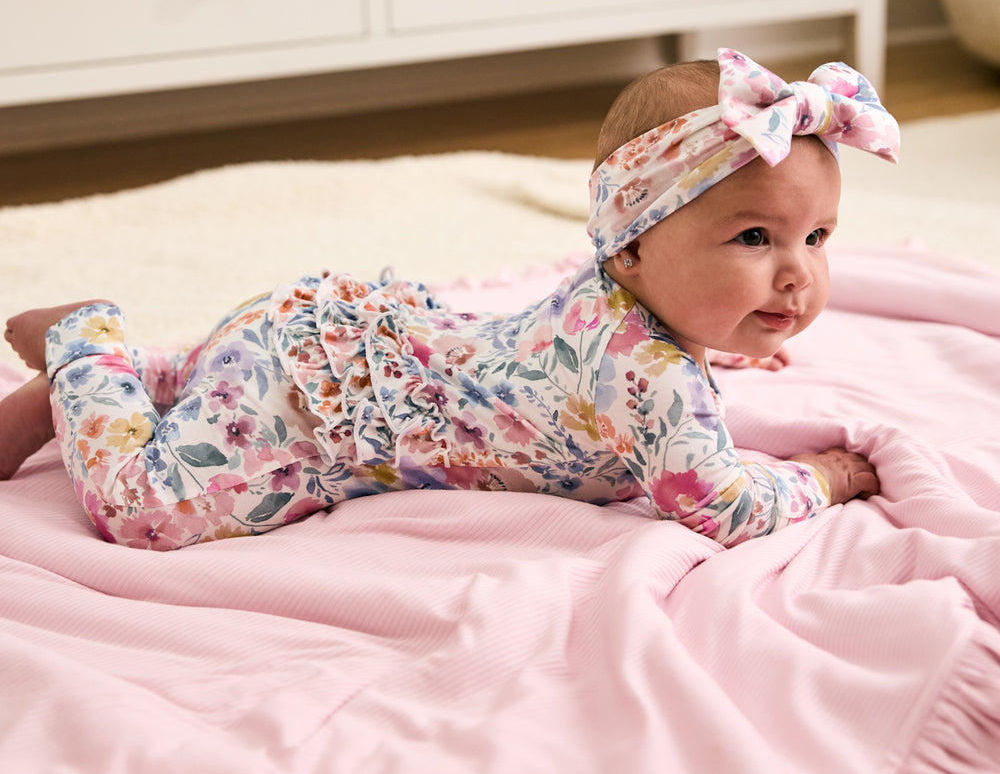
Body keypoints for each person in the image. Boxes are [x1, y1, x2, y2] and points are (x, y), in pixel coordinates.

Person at [0, 48, 899, 550]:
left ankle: (150, 376)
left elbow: (635, 351)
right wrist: (821, 477)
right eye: (755, 239)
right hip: (316, 417)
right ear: (630, 243)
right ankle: (89, 351)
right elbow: (727, 507)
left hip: (329, 340)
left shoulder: (616, 295)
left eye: (815, 238)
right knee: (144, 512)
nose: (797, 273)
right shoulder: (653, 377)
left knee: (215, 376)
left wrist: (734, 330)